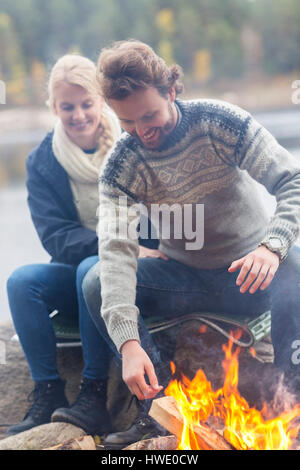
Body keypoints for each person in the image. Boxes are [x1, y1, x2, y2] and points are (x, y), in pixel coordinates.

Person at [80, 39, 300, 449]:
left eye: (150, 115)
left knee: (296, 264)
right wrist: (127, 341)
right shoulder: (121, 167)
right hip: (183, 279)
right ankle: (159, 412)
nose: (142, 131)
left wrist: (272, 246)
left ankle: (292, 402)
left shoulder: (220, 122)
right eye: (128, 123)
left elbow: (294, 181)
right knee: (94, 282)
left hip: (249, 274)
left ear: (172, 91)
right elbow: (115, 253)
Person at [5, 54, 125, 436]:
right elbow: (55, 235)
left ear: (101, 101)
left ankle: (93, 394)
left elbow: (157, 216)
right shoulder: (43, 160)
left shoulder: (129, 144)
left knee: (92, 271)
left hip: (134, 269)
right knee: (21, 282)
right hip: (76, 269)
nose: (78, 114)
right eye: (67, 106)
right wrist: (103, 245)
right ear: (54, 107)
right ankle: (48, 392)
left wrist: (123, 250)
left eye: (86, 103)